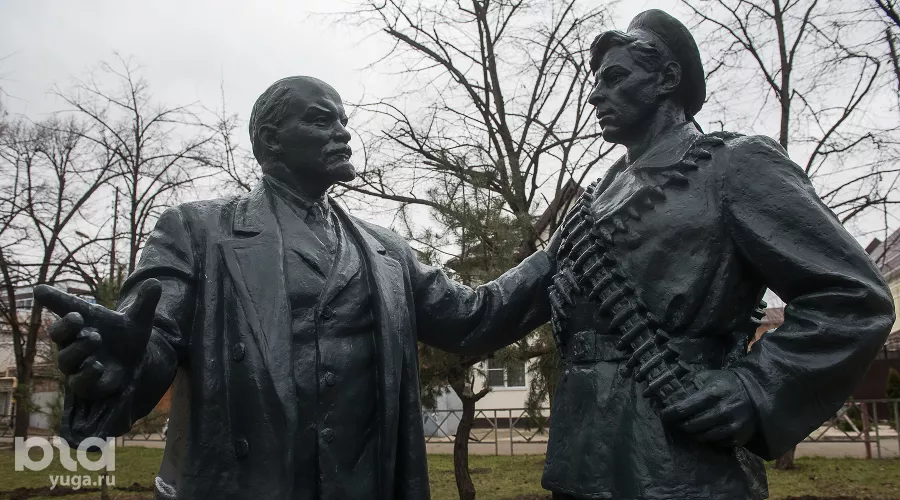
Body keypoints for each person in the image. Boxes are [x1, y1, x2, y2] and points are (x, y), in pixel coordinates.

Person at [35, 76, 554, 500]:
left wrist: (560, 252)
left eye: (344, 121)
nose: (343, 134)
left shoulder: (387, 251)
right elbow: (153, 338)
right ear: (270, 140)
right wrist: (117, 363)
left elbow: (473, 317)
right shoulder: (197, 231)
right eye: (321, 120)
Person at [540, 9, 896, 500]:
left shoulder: (734, 163)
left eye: (614, 77)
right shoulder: (590, 207)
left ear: (667, 79)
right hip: (581, 459)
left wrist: (755, 387)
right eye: (596, 82)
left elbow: (852, 297)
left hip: (680, 458)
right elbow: (488, 308)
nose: (594, 95)